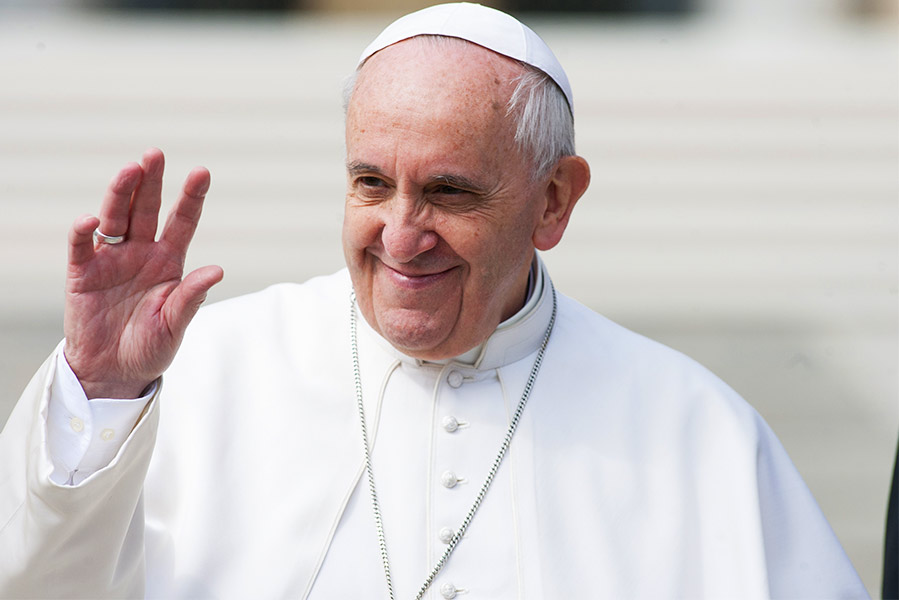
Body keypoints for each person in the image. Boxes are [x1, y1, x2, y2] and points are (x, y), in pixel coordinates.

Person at [0, 3, 868, 598]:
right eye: (371, 184)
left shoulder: (694, 430)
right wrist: (102, 395)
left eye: (449, 194)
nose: (401, 233)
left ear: (554, 201)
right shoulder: (204, 372)